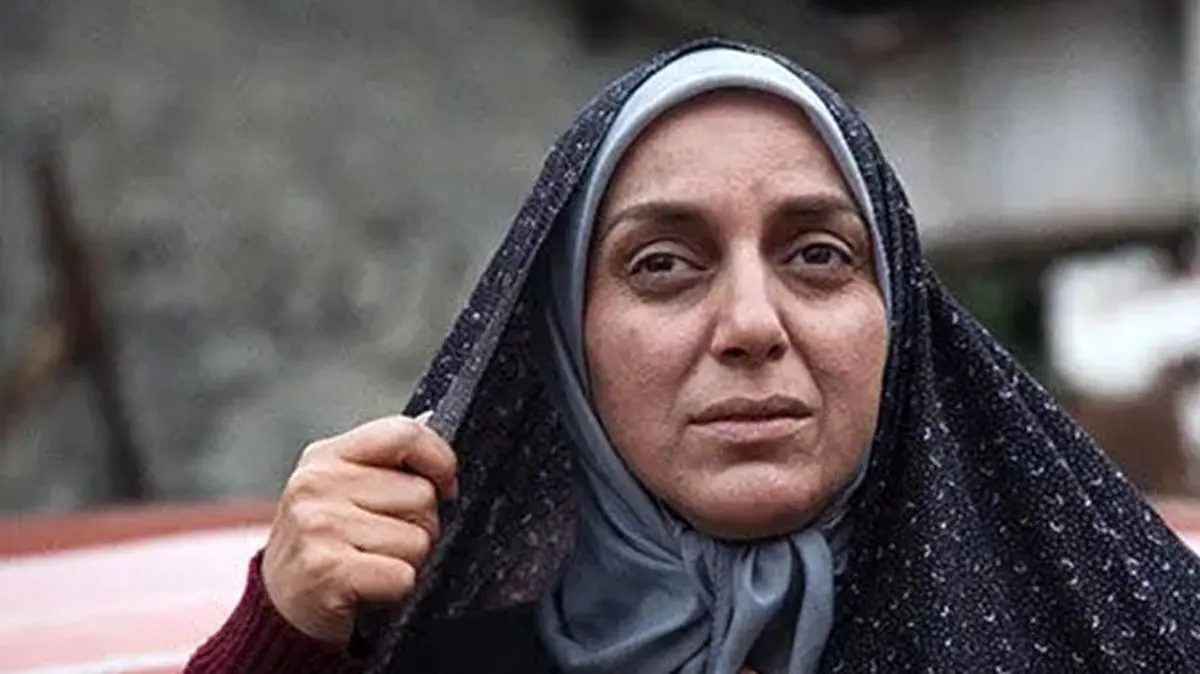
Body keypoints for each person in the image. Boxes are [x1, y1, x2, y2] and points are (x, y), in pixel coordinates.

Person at [185, 39, 1200, 674]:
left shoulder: (1103, 634)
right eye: (663, 264)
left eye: (818, 254)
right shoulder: (428, 667)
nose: (752, 323)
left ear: (899, 325)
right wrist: (278, 639)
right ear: (568, 344)